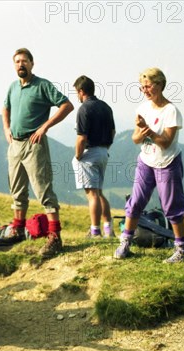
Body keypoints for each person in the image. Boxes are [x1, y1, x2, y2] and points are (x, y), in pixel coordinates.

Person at [1, 47, 74, 258]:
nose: (20, 64)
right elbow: (5, 107)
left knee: (43, 189)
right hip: (15, 143)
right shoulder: (13, 87)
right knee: (16, 188)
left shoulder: (42, 85)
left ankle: (55, 236)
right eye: (17, 61)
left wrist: (45, 127)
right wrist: (6, 128)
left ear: (32, 64)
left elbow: (67, 105)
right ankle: (17, 228)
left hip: (34, 145)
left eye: (24, 61)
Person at [114, 68, 184, 263]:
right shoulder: (142, 108)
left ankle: (181, 249)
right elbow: (135, 138)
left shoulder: (171, 111)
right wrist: (142, 130)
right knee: (136, 202)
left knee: (171, 206)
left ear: (160, 84)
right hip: (146, 161)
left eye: (147, 86)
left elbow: (166, 142)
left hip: (167, 162)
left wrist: (149, 132)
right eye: (142, 87)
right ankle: (126, 242)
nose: (144, 90)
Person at [71, 75, 116, 238]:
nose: (76, 95)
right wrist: (105, 148)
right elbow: (113, 132)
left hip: (89, 154)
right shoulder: (106, 107)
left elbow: (81, 138)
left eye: (76, 92)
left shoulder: (84, 109)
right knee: (99, 192)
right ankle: (108, 229)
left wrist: (77, 156)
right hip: (104, 152)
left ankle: (95, 231)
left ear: (81, 91)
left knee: (92, 194)